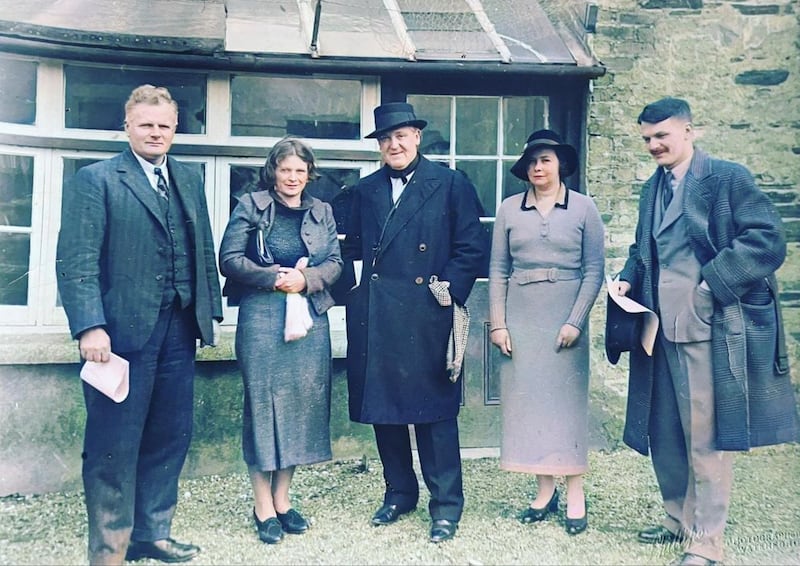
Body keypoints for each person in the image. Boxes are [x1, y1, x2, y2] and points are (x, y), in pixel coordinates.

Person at [613, 97, 798, 566]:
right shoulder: (651, 189)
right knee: (666, 431)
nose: (654, 145)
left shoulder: (727, 178)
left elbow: (766, 240)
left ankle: (706, 540)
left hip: (707, 327)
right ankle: (677, 519)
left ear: (690, 131)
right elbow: (643, 247)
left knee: (706, 435)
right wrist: (629, 275)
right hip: (657, 326)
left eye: (662, 136)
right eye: (647, 139)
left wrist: (708, 285)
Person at [56, 84, 223, 565]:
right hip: (119, 335)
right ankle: (110, 548)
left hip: (178, 330)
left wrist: (206, 315)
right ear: (127, 126)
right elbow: (76, 261)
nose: (156, 132)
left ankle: (152, 533)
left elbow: (200, 250)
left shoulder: (188, 180)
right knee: (114, 442)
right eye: (146, 124)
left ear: (175, 130)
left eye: (164, 125)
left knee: (170, 436)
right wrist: (90, 326)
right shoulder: (98, 180)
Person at [339, 102, 487, 543]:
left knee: (434, 413)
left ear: (417, 137)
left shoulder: (450, 183)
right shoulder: (364, 192)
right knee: (385, 411)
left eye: (401, 135)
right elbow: (351, 252)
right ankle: (399, 492)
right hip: (378, 313)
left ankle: (445, 507)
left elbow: (472, 247)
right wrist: (351, 294)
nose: (394, 144)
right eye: (385, 138)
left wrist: (448, 291)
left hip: (428, 312)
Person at [218, 137, 342, 545]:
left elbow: (335, 263)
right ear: (273, 171)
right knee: (263, 406)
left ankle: (283, 500)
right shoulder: (250, 205)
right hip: (262, 316)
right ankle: (262, 505)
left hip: (309, 316)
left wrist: (306, 279)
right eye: (285, 170)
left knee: (300, 406)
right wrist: (274, 278)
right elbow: (230, 258)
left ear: (310, 174)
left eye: (300, 171)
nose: (292, 178)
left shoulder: (322, 210)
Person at [488, 129, 605, 536]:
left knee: (565, 406)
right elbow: (498, 271)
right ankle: (544, 491)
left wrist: (576, 320)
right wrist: (499, 323)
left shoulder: (584, 208)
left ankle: (574, 492)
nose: (539, 167)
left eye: (547, 160)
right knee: (530, 406)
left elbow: (595, 271)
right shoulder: (508, 210)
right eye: (533, 161)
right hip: (522, 318)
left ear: (561, 165)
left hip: (566, 319)